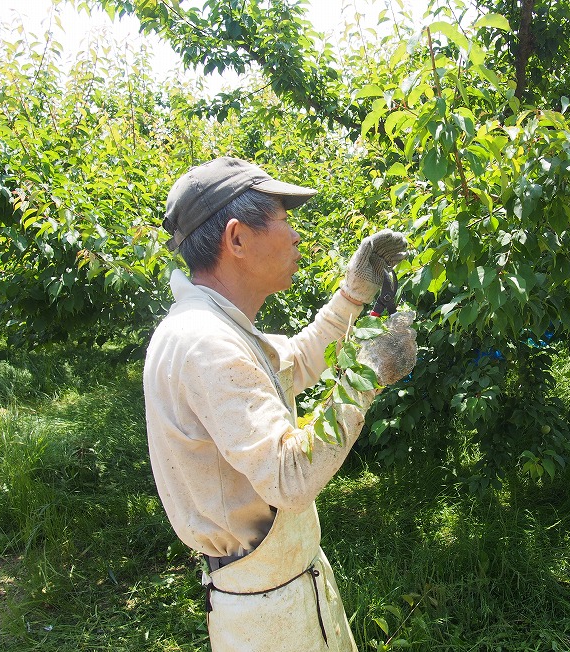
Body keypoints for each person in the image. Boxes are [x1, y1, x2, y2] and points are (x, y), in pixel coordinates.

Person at [142, 156, 417, 651]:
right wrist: (369, 374)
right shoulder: (206, 344)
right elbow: (290, 477)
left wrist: (353, 293)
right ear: (237, 238)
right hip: (268, 616)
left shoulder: (218, 328)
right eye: (284, 220)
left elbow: (302, 359)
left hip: (281, 592)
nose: (295, 237)